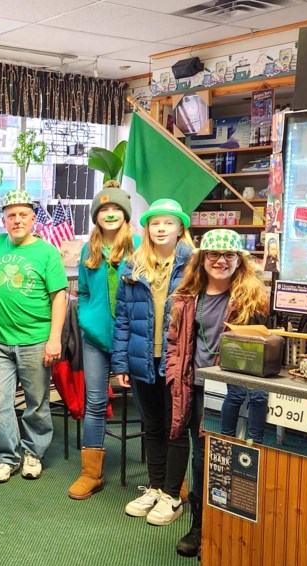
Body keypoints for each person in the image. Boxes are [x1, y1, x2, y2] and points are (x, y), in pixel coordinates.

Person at [165, 229, 268, 557]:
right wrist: (173, 375)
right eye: (213, 255)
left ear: (239, 260)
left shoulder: (251, 299)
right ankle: (200, 526)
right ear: (202, 259)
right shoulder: (186, 297)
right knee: (202, 458)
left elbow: (263, 349)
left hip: (236, 392)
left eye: (228, 255)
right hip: (196, 389)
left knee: (238, 457)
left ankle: (235, 529)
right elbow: (174, 342)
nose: (221, 261)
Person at [112, 198, 195, 525]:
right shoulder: (133, 266)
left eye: (168, 223)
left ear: (180, 229)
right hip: (142, 359)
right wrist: (120, 364)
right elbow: (122, 318)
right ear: (147, 229)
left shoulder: (193, 266)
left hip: (177, 362)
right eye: (155, 223)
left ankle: (173, 496)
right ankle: (157, 488)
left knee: (175, 428)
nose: (161, 228)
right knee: (152, 426)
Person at [0, 189, 68, 483]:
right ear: (3, 220)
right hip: (0, 340)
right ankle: (6, 457)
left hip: (36, 339)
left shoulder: (46, 252)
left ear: (33, 219)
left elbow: (59, 296)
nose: (16, 220)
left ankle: (33, 453)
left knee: (36, 401)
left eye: (22, 215)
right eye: (11, 215)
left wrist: (54, 339)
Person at [67, 181, 140, 500]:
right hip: (96, 335)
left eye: (115, 209)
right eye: (103, 210)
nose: (109, 214)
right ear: (96, 216)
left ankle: (165, 476)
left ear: (125, 214)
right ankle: (91, 473)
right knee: (95, 402)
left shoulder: (140, 244)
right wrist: (86, 318)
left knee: (150, 406)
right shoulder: (89, 249)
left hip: (134, 336)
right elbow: (83, 291)